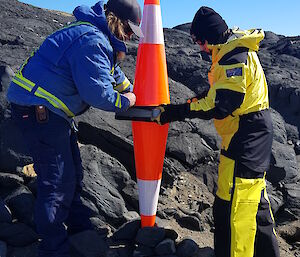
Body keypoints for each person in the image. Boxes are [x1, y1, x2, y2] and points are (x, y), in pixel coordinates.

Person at [6, 0, 142, 256]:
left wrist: (133, 90)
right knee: (56, 183)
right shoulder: (91, 40)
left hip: (50, 112)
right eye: (129, 29)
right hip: (39, 111)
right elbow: (98, 93)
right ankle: (54, 248)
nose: (131, 36)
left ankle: (79, 230)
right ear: (116, 21)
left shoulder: (96, 34)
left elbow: (110, 72)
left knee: (73, 174)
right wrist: (127, 101)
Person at [153, 6, 280, 257]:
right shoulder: (232, 50)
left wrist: (176, 112)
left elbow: (222, 104)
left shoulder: (233, 58)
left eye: (199, 41)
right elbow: (217, 94)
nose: (200, 48)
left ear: (208, 37)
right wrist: (190, 102)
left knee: (235, 208)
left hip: (245, 137)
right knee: (253, 202)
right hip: (249, 134)